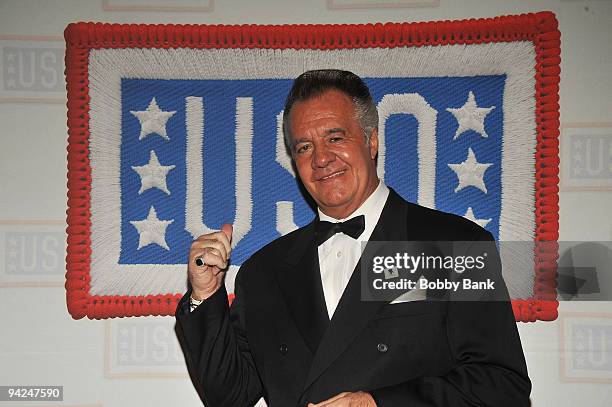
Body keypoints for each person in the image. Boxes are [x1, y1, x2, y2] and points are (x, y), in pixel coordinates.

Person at [175, 69, 531, 406]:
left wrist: (377, 403)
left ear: (371, 140)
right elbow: (229, 396)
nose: (321, 159)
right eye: (304, 147)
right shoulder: (263, 273)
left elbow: (502, 385)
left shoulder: (457, 245)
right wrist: (204, 295)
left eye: (335, 137)